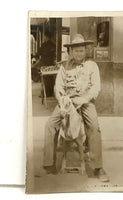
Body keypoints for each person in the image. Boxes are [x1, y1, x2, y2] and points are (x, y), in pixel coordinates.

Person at [41, 34, 109, 182]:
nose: (79, 53)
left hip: (84, 101)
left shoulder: (92, 66)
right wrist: (62, 99)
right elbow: (57, 86)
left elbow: (96, 87)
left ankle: (98, 167)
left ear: (86, 51)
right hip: (66, 100)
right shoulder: (64, 66)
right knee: (50, 125)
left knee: (94, 127)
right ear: (71, 52)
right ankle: (49, 164)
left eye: (82, 51)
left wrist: (83, 100)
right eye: (76, 51)